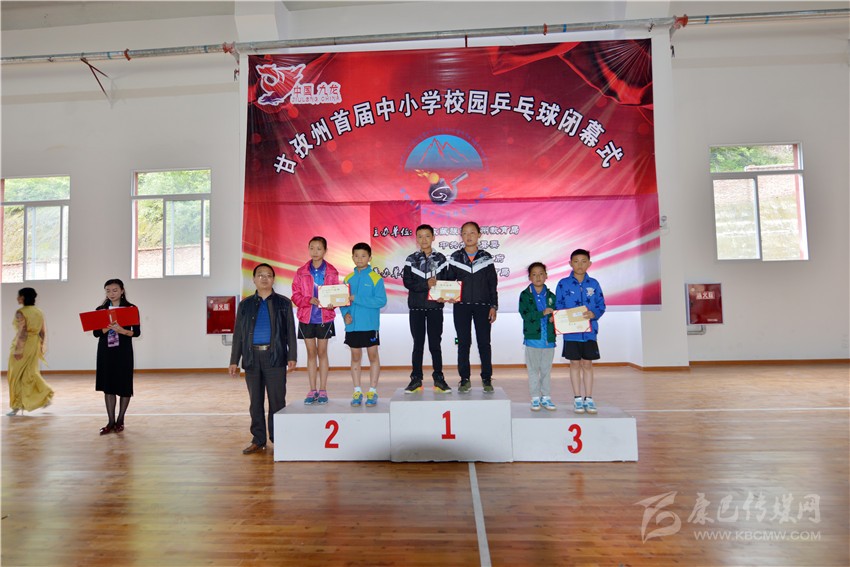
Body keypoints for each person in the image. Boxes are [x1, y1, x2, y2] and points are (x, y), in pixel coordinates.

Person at [230, 263, 297, 454]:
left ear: (273, 279)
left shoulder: (283, 303)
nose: (264, 278)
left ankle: (279, 438)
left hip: (275, 357)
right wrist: (234, 360)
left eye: (268, 275)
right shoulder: (245, 305)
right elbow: (238, 334)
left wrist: (292, 356)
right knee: (255, 402)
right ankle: (258, 439)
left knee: (277, 401)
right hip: (252, 358)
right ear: (253, 279)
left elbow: (290, 332)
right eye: (260, 275)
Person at [445, 221, 498, 393]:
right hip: (461, 307)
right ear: (461, 236)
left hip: (483, 306)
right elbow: (448, 281)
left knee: (484, 343)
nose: (469, 236)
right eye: (465, 233)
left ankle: (487, 379)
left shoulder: (486, 258)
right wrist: (448, 295)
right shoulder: (455, 257)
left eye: (472, 232)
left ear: (479, 235)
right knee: (463, 343)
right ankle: (464, 379)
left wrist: (493, 306)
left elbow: (492, 284)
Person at [555, 249, 606, 414]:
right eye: (576, 261)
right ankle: (577, 398)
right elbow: (558, 305)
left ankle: (589, 398)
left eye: (584, 261)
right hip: (571, 334)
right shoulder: (563, 283)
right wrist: (561, 318)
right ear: (570, 263)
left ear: (589, 264)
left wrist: (594, 313)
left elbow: (601, 305)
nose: (580, 265)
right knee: (575, 364)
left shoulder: (594, 284)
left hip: (589, 332)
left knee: (587, 364)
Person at [402, 224, 451, 394]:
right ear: (416, 239)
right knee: (418, 344)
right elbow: (407, 282)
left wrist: (445, 294)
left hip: (435, 307)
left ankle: (439, 378)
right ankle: (416, 379)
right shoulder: (411, 259)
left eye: (427, 236)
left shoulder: (441, 259)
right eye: (420, 236)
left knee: (435, 345)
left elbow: (446, 281)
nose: (424, 239)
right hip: (416, 307)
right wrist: (426, 284)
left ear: (433, 237)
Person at [291, 236, 340, 406]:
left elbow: (336, 294)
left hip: (324, 318)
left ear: (325, 251)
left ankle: (323, 389)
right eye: (312, 248)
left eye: (319, 248)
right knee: (311, 353)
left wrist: (333, 304)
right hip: (306, 317)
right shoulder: (301, 272)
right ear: (308, 249)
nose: (315, 252)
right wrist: (308, 300)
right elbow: (295, 295)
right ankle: (312, 390)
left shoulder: (332, 271)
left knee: (322, 353)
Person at [340, 242, 387, 407]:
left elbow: (381, 301)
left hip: (370, 325)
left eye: (363, 256)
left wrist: (357, 299)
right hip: (352, 326)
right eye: (356, 256)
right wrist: (345, 314)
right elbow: (342, 301)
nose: (359, 259)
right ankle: (357, 391)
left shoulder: (376, 278)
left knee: (373, 356)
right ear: (352, 257)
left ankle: (372, 391)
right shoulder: (347, 279)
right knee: (355, 357)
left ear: (370, 258)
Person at [93, 279, 140, 434]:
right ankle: (111, 422)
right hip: (106, 352)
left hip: (123, 352)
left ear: (122, 290)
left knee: (124, 386)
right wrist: (107, 328)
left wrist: (122, 330)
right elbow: (96, 333)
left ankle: (120, 420)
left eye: (114, 290)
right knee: (109, 386)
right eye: (108, 290)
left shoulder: (131, 309)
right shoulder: (100, 310)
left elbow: (136, 333)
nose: (111, 293)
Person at [6, 287, 54, 416]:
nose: (17, 298)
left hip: (23, 346)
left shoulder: (20, 312)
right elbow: (42, 332)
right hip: (34, 345)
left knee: (15, 376)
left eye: (18, 295)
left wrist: (18, 350)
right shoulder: (39, 312)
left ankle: (16, 406)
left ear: (22, 297)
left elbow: (22, 332)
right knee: (31, 373)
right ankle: (45, 397)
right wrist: (41, 346)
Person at [519, 263, 557, 411]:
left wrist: (554, 318)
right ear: (529, 277)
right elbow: (525, 315)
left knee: (546, 371)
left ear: (546, 276)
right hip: (532, 339)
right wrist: (542, 313)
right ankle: (535, 398)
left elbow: (559, 313)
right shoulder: (525, 295)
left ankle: (546, 397)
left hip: (549, 340)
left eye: (541, 273)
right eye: (534, 274)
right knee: (533, 370)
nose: (538, 277)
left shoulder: (552, 296)